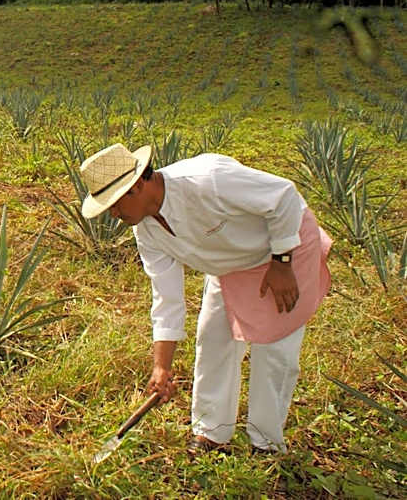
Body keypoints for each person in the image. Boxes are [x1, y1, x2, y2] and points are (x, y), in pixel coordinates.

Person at [79, 143, 332, 454]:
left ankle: (266, 443)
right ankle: (211, 432)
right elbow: (166, 298)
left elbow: (283, 196)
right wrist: (161, 368)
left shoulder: (207, 179)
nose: (114, 214)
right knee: (213, 336)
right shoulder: (146, 231)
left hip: (284, 247)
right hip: (230, 264)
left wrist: (282, 262)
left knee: (273, 349)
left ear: (136, 186)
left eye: (114, 204)